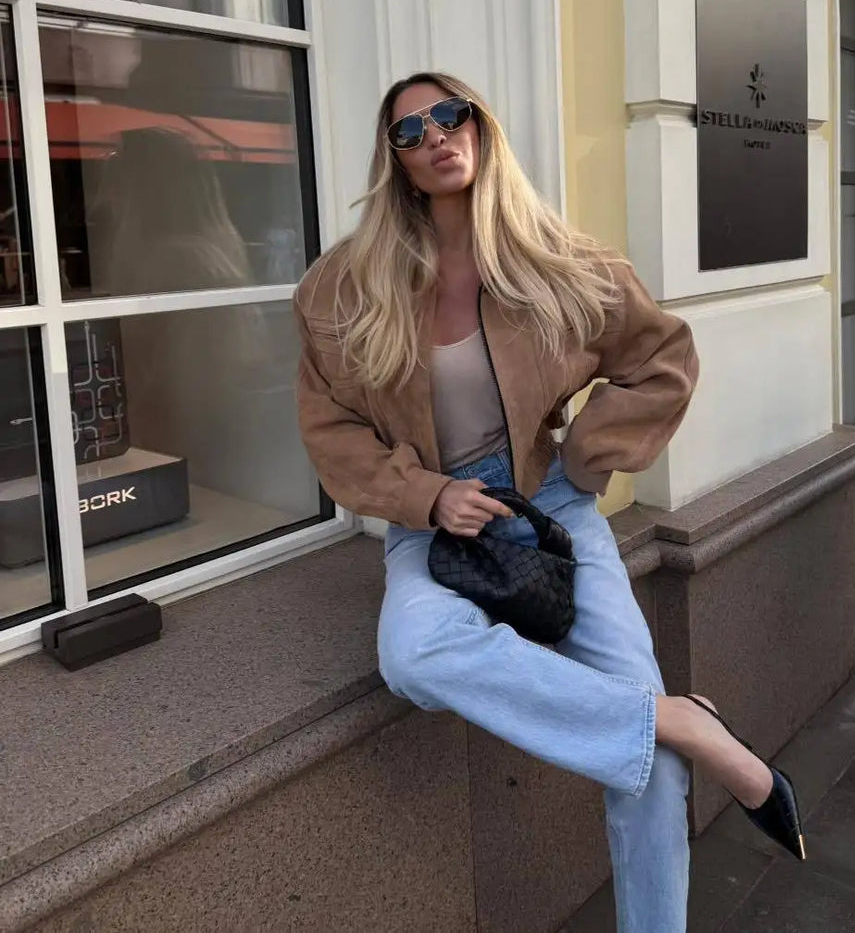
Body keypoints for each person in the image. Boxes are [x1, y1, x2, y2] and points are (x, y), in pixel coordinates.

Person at [294, 72, 804, 933]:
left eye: (450, 116)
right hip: (433, 523)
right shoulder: (342, 290)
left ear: (481, 130)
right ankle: (682, 720)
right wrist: (425, 495)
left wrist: (582, 460)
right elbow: (332, 430)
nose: (435, 136)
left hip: (551, 512)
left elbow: (663, 359)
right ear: (397, 161)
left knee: (649, 770)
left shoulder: (561, 263)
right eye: (409, 131)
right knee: (414, 653)